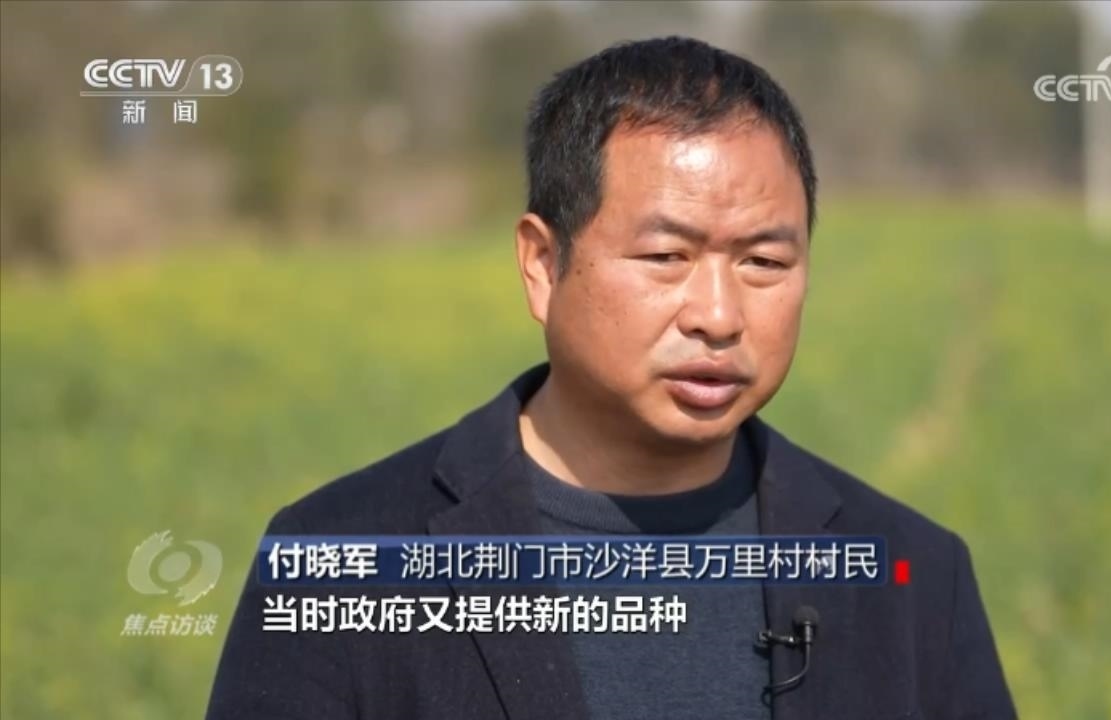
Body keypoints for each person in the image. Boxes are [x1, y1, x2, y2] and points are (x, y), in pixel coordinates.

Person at [206, 35, 1017, 720]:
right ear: (541, 263)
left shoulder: (914, 577)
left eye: (764, 263)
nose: (719, 315)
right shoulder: (341, 559)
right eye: (666, 256)